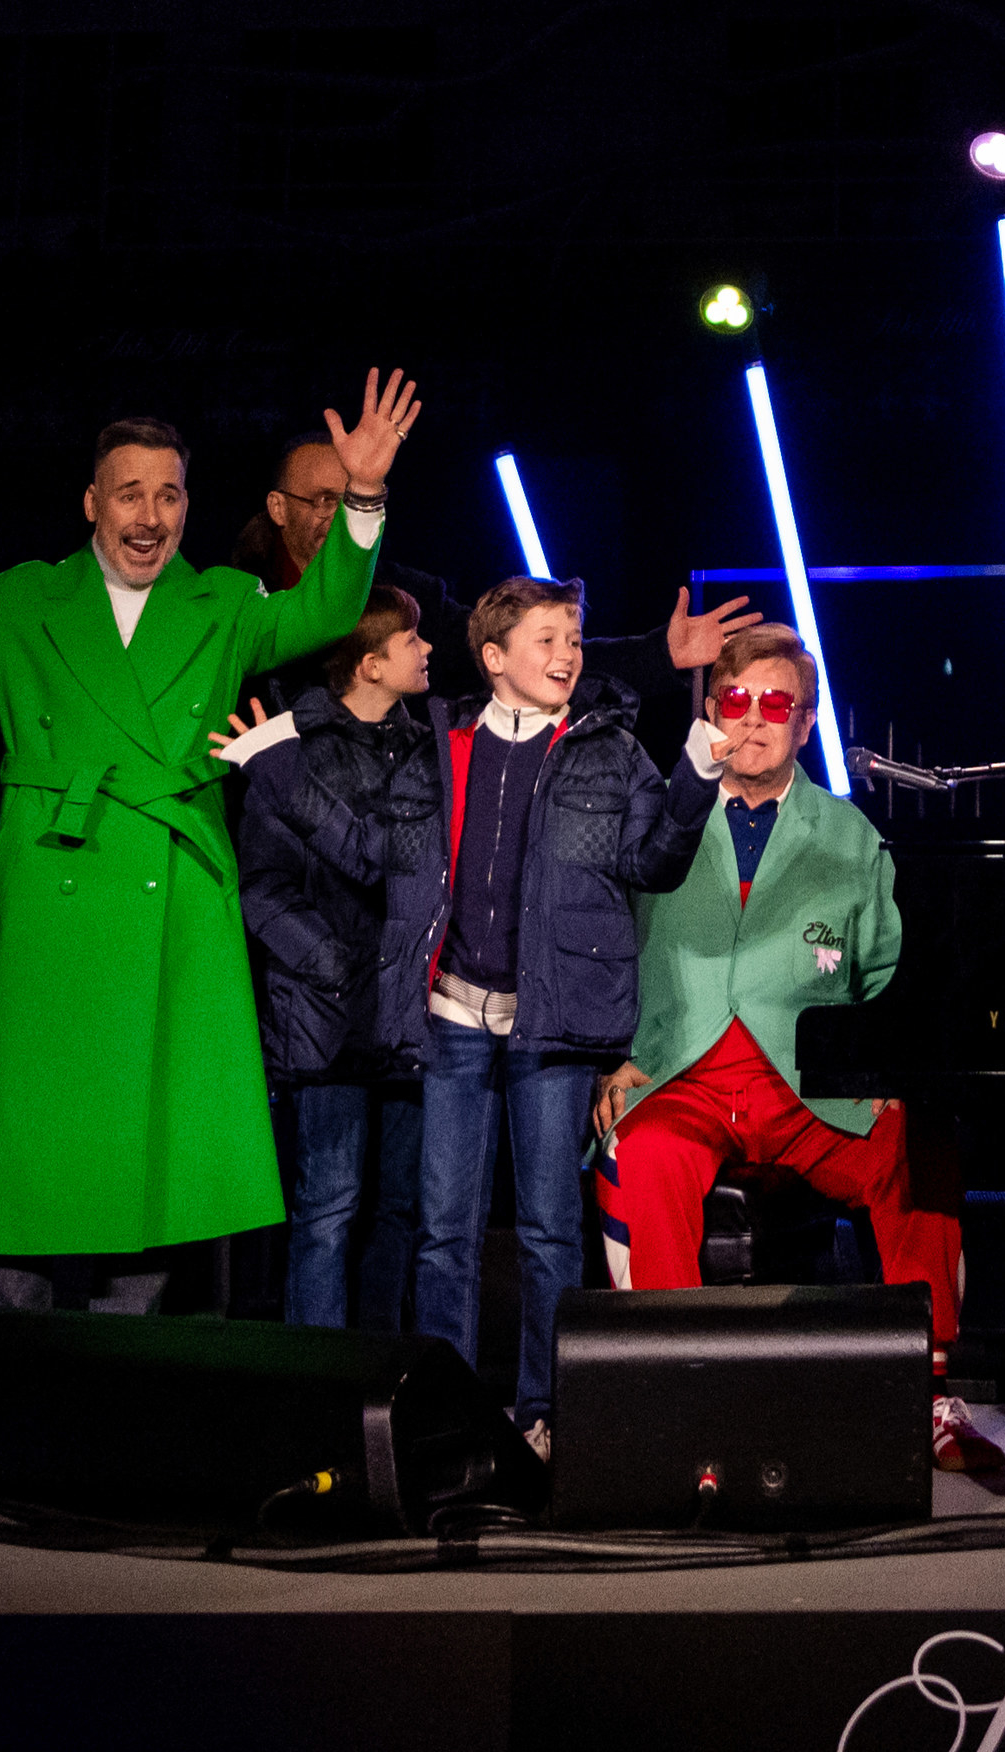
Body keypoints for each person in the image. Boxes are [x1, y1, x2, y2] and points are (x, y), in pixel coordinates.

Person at [0, 370, 417, 1310]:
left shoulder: (223, 604)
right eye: (130, 492)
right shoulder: (21, 602)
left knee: (154, 1183)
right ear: (93, 502)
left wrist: (362, 496)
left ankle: (128, 1402)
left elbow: (326, 612)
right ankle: (6, 1411)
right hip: (55, 913)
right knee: (29, 1178)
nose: (151, 514)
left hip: (173, 913)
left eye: (168, 494)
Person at [281, 575, 731, 1447]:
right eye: (547, 640)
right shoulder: (436, 747)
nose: (567, 655)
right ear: (494, 659)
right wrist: (279, 770)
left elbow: (656, 862)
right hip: (451, 1019)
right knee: (444, 1231)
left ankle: (544, 1409)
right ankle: (450, 1414)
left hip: (552, 1024)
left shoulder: (607, 746)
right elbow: (377, 856)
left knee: (549, 1232)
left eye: (573, 639)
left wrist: (696, 780)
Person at [591, 625, 1000, 1474]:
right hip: (685, 1072)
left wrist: (893, 1072)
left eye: (776, 705)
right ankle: (675, 1400)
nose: (752, 721)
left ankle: (931, 1392)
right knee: (642, 1152)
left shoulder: (851, 835)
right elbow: (599, 945)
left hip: (811, 1083)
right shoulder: (660, 813)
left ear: (805, 724)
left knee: (916, 1143)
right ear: (711, 713)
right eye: (735, 702)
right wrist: (609, 1055)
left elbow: (888, 972)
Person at [228, 586, 434, 1331]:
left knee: (402, 1208)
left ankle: (385, 1371)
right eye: (413, 640)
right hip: (329, 1012)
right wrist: (334, 968)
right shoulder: (294, 750)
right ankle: (319, 1382)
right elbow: (263, 888)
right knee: (329, 1205)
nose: (428, 650)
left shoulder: (429, 748)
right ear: (372, 663)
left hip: (409, 1012)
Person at [225, 430, 758, 704]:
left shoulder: (408, 599)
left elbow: (517, 651)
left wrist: (659, 654)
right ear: (278, 508)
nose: (335, 518)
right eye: (320, 501)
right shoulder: (229, 604)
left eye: (346, 501)